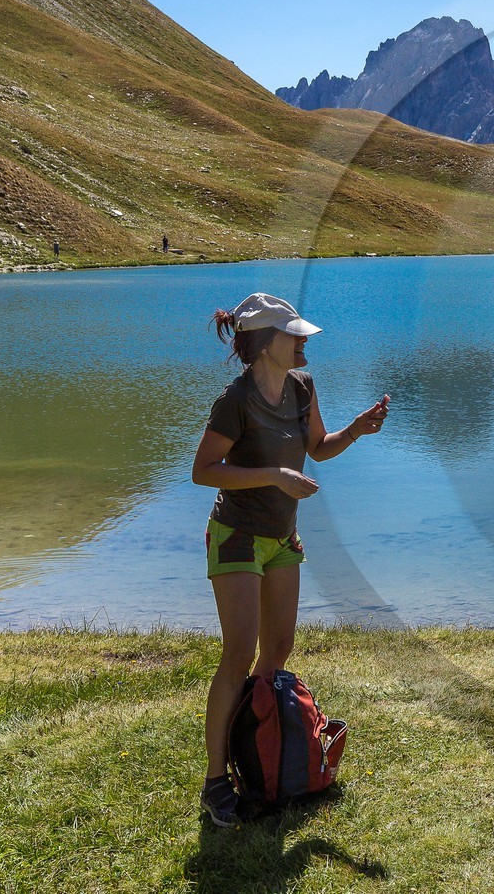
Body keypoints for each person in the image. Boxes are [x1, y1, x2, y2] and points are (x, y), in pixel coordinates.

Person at [191, 292, 389, 825]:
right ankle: (216, 783)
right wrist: (275, 476)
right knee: (239, 654)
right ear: (263, 343)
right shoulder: (235, 399)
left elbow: (319, 447)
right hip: (236, 535)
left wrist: (357, 430)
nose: (303, 343)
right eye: (293, 335)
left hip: (282, 536)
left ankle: (258, 763)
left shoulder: (302, 386)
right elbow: (204, 469)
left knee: (276, 651)